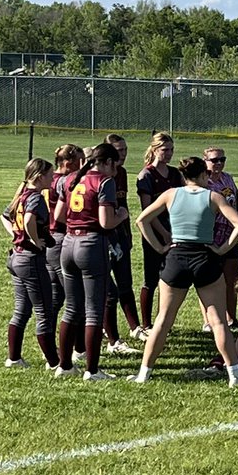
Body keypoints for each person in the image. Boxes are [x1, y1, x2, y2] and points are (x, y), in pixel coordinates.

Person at [130, 156, 238, 386]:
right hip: (205, 258)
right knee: (218, 322)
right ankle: (235, 375)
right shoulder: (213, 196)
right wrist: (222, 249)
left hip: (176, 258)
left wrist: (161, 247)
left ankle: (144, 373)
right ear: (204, 175)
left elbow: (141, 220)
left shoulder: (170, 194)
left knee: (163, 320)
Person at [53, 143, 129, 382]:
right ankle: (92, 370)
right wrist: (122, 215)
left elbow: (59, 216)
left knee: (72, 308)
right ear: (107, 161)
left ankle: (64, 365)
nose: (116, 170)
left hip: (68, 244)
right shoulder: (104, 181)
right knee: (94, 311)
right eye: (114, 164)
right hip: (92, 244)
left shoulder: (70, 179)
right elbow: (106, 222)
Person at [0, 158, 59, 369]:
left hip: (16, 256)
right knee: (43, 311)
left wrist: (17, 236)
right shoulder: (35, 197)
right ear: (39, 176)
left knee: (21, 311)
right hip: (30, 259)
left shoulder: (20, 195)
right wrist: (33, 239)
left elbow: (4, 216)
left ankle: (14, 358)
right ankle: (55, 363)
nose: (53, 179)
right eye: (50, 175)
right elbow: (28, 221)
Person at [102, 133, 146, 355]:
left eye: (125, 150)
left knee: (125, 281)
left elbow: (123, 205)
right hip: (104, 237)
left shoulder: (122, 174)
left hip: (121, 233)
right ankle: (107, 332)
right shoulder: (102, 177)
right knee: (106, 289)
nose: (124, 155)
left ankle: (135, 327)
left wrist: (126, 234)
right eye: (119, 151)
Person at [136, 132, 182, 329]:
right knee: (151, 278)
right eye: (165, 150)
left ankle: (163, 322)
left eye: (171, 150)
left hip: (174, 230)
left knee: (169, 278)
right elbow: (147, 211)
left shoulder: (174, 174)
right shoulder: (146, 175)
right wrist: (163, 233)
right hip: (154, 233)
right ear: (154, 150)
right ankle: (146, 324)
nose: (169, 154)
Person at [201, 145, 238, 329]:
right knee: (208, 281)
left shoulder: (227, 178)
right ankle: (208, 321)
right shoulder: (202, 181)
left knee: (232, 280)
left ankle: (231, 318)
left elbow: (237, 198)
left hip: (230, 235)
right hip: (209, 236)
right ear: (205, 160)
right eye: (214, 160)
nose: (219, 163)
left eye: (222, 159)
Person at [44, 143, 85, 360]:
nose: (82, 166)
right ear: (68, 163)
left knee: (55, 298)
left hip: (47, 241)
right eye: (79, 161)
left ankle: (49, 345)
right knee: (74, 299)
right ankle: (76, 349)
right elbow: (61, 214)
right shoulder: (65, 181)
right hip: (61, 239)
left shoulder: (44, 178)